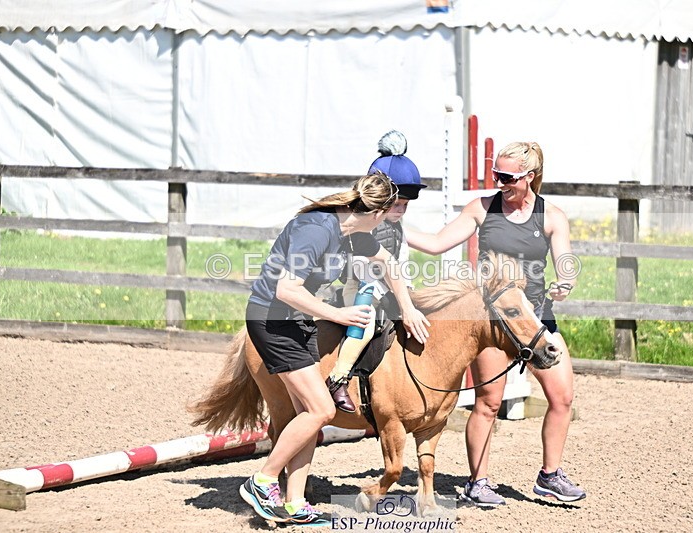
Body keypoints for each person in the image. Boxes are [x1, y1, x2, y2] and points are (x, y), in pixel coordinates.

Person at [242, 172, 431, 525]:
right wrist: (340, 314)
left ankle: (295, 503)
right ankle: (263, 480)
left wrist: (407, 308)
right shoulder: (317, 230)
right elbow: (286, 290)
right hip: (272, 320)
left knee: (309, 418)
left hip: (296, 322)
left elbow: (388, 264)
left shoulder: (351, 234)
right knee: (321, 410)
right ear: (378, 211)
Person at [407, 141, 586, 505]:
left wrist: (566, 281)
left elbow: (565, 260)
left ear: (530, 177)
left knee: (562, 397)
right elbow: (438, 243)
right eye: (496, 174)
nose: (498, 181)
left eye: (506, 176)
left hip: (534, 320)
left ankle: (549, 476)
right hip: (491, 323)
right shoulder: (481, 209)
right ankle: (478, 482)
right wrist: (391, 225)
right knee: (488, 403)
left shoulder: (552, 216)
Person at [326, 130, 427, 412]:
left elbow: (400, 261)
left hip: (387, 287)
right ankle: (339, 376)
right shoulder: (366, 224)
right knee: (367, 323)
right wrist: (391, 293)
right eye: (397, 204)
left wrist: (407, 291)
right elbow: (364, 268)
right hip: (361, 288)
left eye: (406, 205)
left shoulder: (396, 226)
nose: (402, 210)